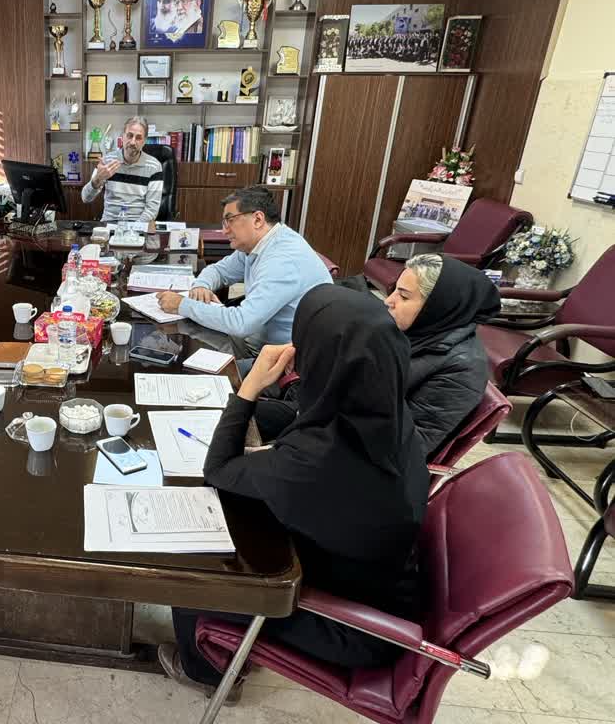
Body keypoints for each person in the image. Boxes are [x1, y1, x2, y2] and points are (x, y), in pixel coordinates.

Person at [159, 285, 429, 698]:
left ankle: (205, 673)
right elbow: (301, 431)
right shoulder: (384, 412)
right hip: (377, 581)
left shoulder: (318, 459)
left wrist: (249, 388)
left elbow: (218, 471)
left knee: (189, 577)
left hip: (353, 626)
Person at [156, 187, 331, 349]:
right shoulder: (259, 244)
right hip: (258, 340)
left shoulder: (282, 260)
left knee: (188, 355)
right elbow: (219, 270)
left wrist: (182, 304)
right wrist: (201, 286)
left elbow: (241, 323)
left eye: (230, 221)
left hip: (282, 357)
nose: (224, 231)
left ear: (258, 219)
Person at [385, 253, 499, 458]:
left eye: (403, 296)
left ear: (438, 305)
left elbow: (410, 446)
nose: (388, 301)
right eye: (394, 291)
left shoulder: (462, 369)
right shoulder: (416, 333)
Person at [81, 116, 164, 222]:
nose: (133, 142)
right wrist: (97, 179)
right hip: (109, 224)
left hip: (138, 226)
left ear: (144, 141)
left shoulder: (154, 167)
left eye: (138, 138)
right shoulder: (107, 161)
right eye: (129, 135)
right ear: (123, 137)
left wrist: (132, 229)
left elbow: (152, 210)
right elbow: (85, 198)